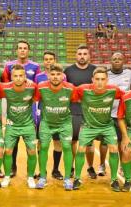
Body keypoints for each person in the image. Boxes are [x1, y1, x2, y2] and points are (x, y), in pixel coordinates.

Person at [73, 66, 124, 191]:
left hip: (106, 126)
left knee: (113, 148)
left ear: (107, 80)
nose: (100, 82)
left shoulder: (114, 90)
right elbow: (68, 93)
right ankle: (77, 178)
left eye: (102, 79)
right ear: (92, 79)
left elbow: (127, 96)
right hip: (88, 126)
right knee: (81, 148)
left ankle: (114, 180)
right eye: (97, 79)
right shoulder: (82, 89)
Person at [34, 64, 77, 190]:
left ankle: (68, 179)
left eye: (58, 74)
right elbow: (35, 100)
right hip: (47, 123)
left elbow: (76, 101)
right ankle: (42, 177)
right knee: (44, 147)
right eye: (52, 74)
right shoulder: (41, 87)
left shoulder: (70, 88)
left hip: (64, 124)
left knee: (67, 147)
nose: (55, 77)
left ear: (63, 76)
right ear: (48, 75)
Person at [1, 40, 41, 177]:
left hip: (29, 105)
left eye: (25, 48)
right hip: (13, 103)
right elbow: (6, 83)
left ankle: (32, 169)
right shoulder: (8, 66)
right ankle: (12, 167)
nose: (22, 50)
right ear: (16, 50)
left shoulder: (35, 66)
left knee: (30, 140)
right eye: (20, 48)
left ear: (28, 51)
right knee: (13, 140)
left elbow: (37, 84)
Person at [0, 64, 38, 188]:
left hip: (28, 125)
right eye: (15, 76)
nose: (18, 78)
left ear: (25, 76)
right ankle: (6, 176)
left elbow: (36, 98)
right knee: (8, 151)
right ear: (11, 77)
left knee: (32, 151)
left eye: (21, 75)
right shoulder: (5, 88)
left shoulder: (32, 87)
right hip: (12, 125)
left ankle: (30, 177)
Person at [98, 52, 131, 176]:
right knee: (104, 142)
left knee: (121, 142)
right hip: (106, 114)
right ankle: (102, 165)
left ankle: (122, 167)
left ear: (123, 60)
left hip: (123, 115)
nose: (117, 60)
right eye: (114, 59)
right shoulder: (105, 74)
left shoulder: (130, 73)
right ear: (110, 61)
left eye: (119, 58)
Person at [64, 45, 97, 179]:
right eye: (79, 54)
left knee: (89, 143)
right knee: (73, 141)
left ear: (89, 56)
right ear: (76, 56)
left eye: (85, 54)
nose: (82, 56)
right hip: (72, 111)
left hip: (89, 112)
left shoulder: (95, 71)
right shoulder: (68, 71)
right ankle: (71, 167)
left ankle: (90, 167)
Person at [34, 51, 64, 180]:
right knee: (41, 142)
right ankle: (42, 171)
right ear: (43, 61)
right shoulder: (38, 77)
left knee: (58, 142)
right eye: (46, 59)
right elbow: (36, 96)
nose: (48, 61)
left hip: (58, 114)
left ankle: (56, 170)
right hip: (43, 113)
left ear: (55, 60)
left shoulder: (62, 76)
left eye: (51, 59)